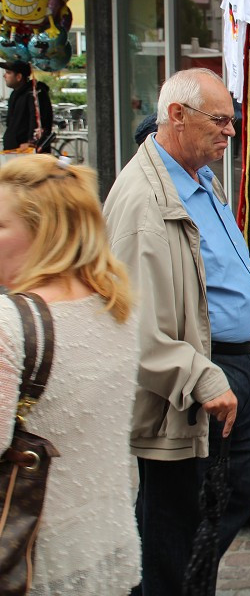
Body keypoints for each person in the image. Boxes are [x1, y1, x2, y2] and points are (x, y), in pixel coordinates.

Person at [103, 68, 250, 595]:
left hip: (232, 364)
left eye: (233, 121)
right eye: (219, 120)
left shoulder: (198, 176)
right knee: (180, 514)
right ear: (176, 115)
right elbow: (129, 321)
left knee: (233, 493)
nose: (230, 132)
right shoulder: (143, 201)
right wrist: (199, 376)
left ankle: (165, 581)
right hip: (198, 378)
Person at [0, 154, 140, 593]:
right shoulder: (115, 305)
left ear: (42, 233)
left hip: (31, 555)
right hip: (106, 544)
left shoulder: (9, 321)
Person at [2, 61, 53, 151]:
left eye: (8, 73)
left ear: (19, 77)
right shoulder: (15, 94)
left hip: (27, 151)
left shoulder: (35, 93)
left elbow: (39, 119)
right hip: (14, 150)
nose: (4, 76)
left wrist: (32, 142)